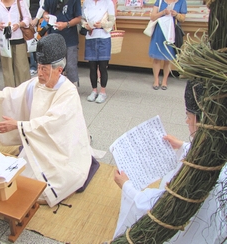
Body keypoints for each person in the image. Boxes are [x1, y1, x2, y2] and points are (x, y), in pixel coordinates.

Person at [0, 34, 99, 207]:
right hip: (36, 141)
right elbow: (11, 96)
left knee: (48, 186)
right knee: (22, 179)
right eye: (38, 67)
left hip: (61, 148)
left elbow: (53, 123)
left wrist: (18, 125)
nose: (39, 73)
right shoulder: (35, 84)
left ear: (59, 70)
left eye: (44, 69)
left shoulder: (67, 92)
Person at [112, 80, 227, 243]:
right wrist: (184, 146)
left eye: (188, 116)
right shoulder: (220, 148)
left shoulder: (204, 172)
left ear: (202, 121)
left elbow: (159, 208)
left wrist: (127, 186)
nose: (187, 121)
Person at [0, 0, 31, 87]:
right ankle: (10, 92)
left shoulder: (19, 3)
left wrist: (19, 24)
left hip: (18, 38)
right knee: (7, 68)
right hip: (4, 40)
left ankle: (23, 91)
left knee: (22, 67)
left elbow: (27, 19)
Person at [82, 0, 115, 104]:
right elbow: (82, 19)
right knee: (92, 67)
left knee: (102, 66)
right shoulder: (86, 2)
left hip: (103, 37)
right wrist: (85, 25)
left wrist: (102, 24)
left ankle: (103, 92)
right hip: (90, 37)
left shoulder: (108, 2)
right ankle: (94, 90)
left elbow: (112, 21)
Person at [149, 0, 187, 90]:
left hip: (171, 32)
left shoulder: (182, 2)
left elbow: (183, 18)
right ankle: (156, 80)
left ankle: (165, 80)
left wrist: (176, 14)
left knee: (168, 57)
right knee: (156, 57)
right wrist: (163, 12)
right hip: (159, 30)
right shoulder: (160, 1)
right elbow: (153, 16)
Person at [43, 0, 82, 86]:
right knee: (54, 65)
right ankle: (55, 87)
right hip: (53, 37)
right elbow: (45, 10)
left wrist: (66, 24)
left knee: (71, 66)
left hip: (70, 38)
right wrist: (45, 16)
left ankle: (72, 88)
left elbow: (79, 18)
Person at [28, 0, 44, 76]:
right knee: (32, 43)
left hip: (41, 19)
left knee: (41, 44)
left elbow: (43, 6)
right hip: (29, 20)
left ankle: (41, 66)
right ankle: (33, 66)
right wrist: (29, 19)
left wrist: (37, 18)